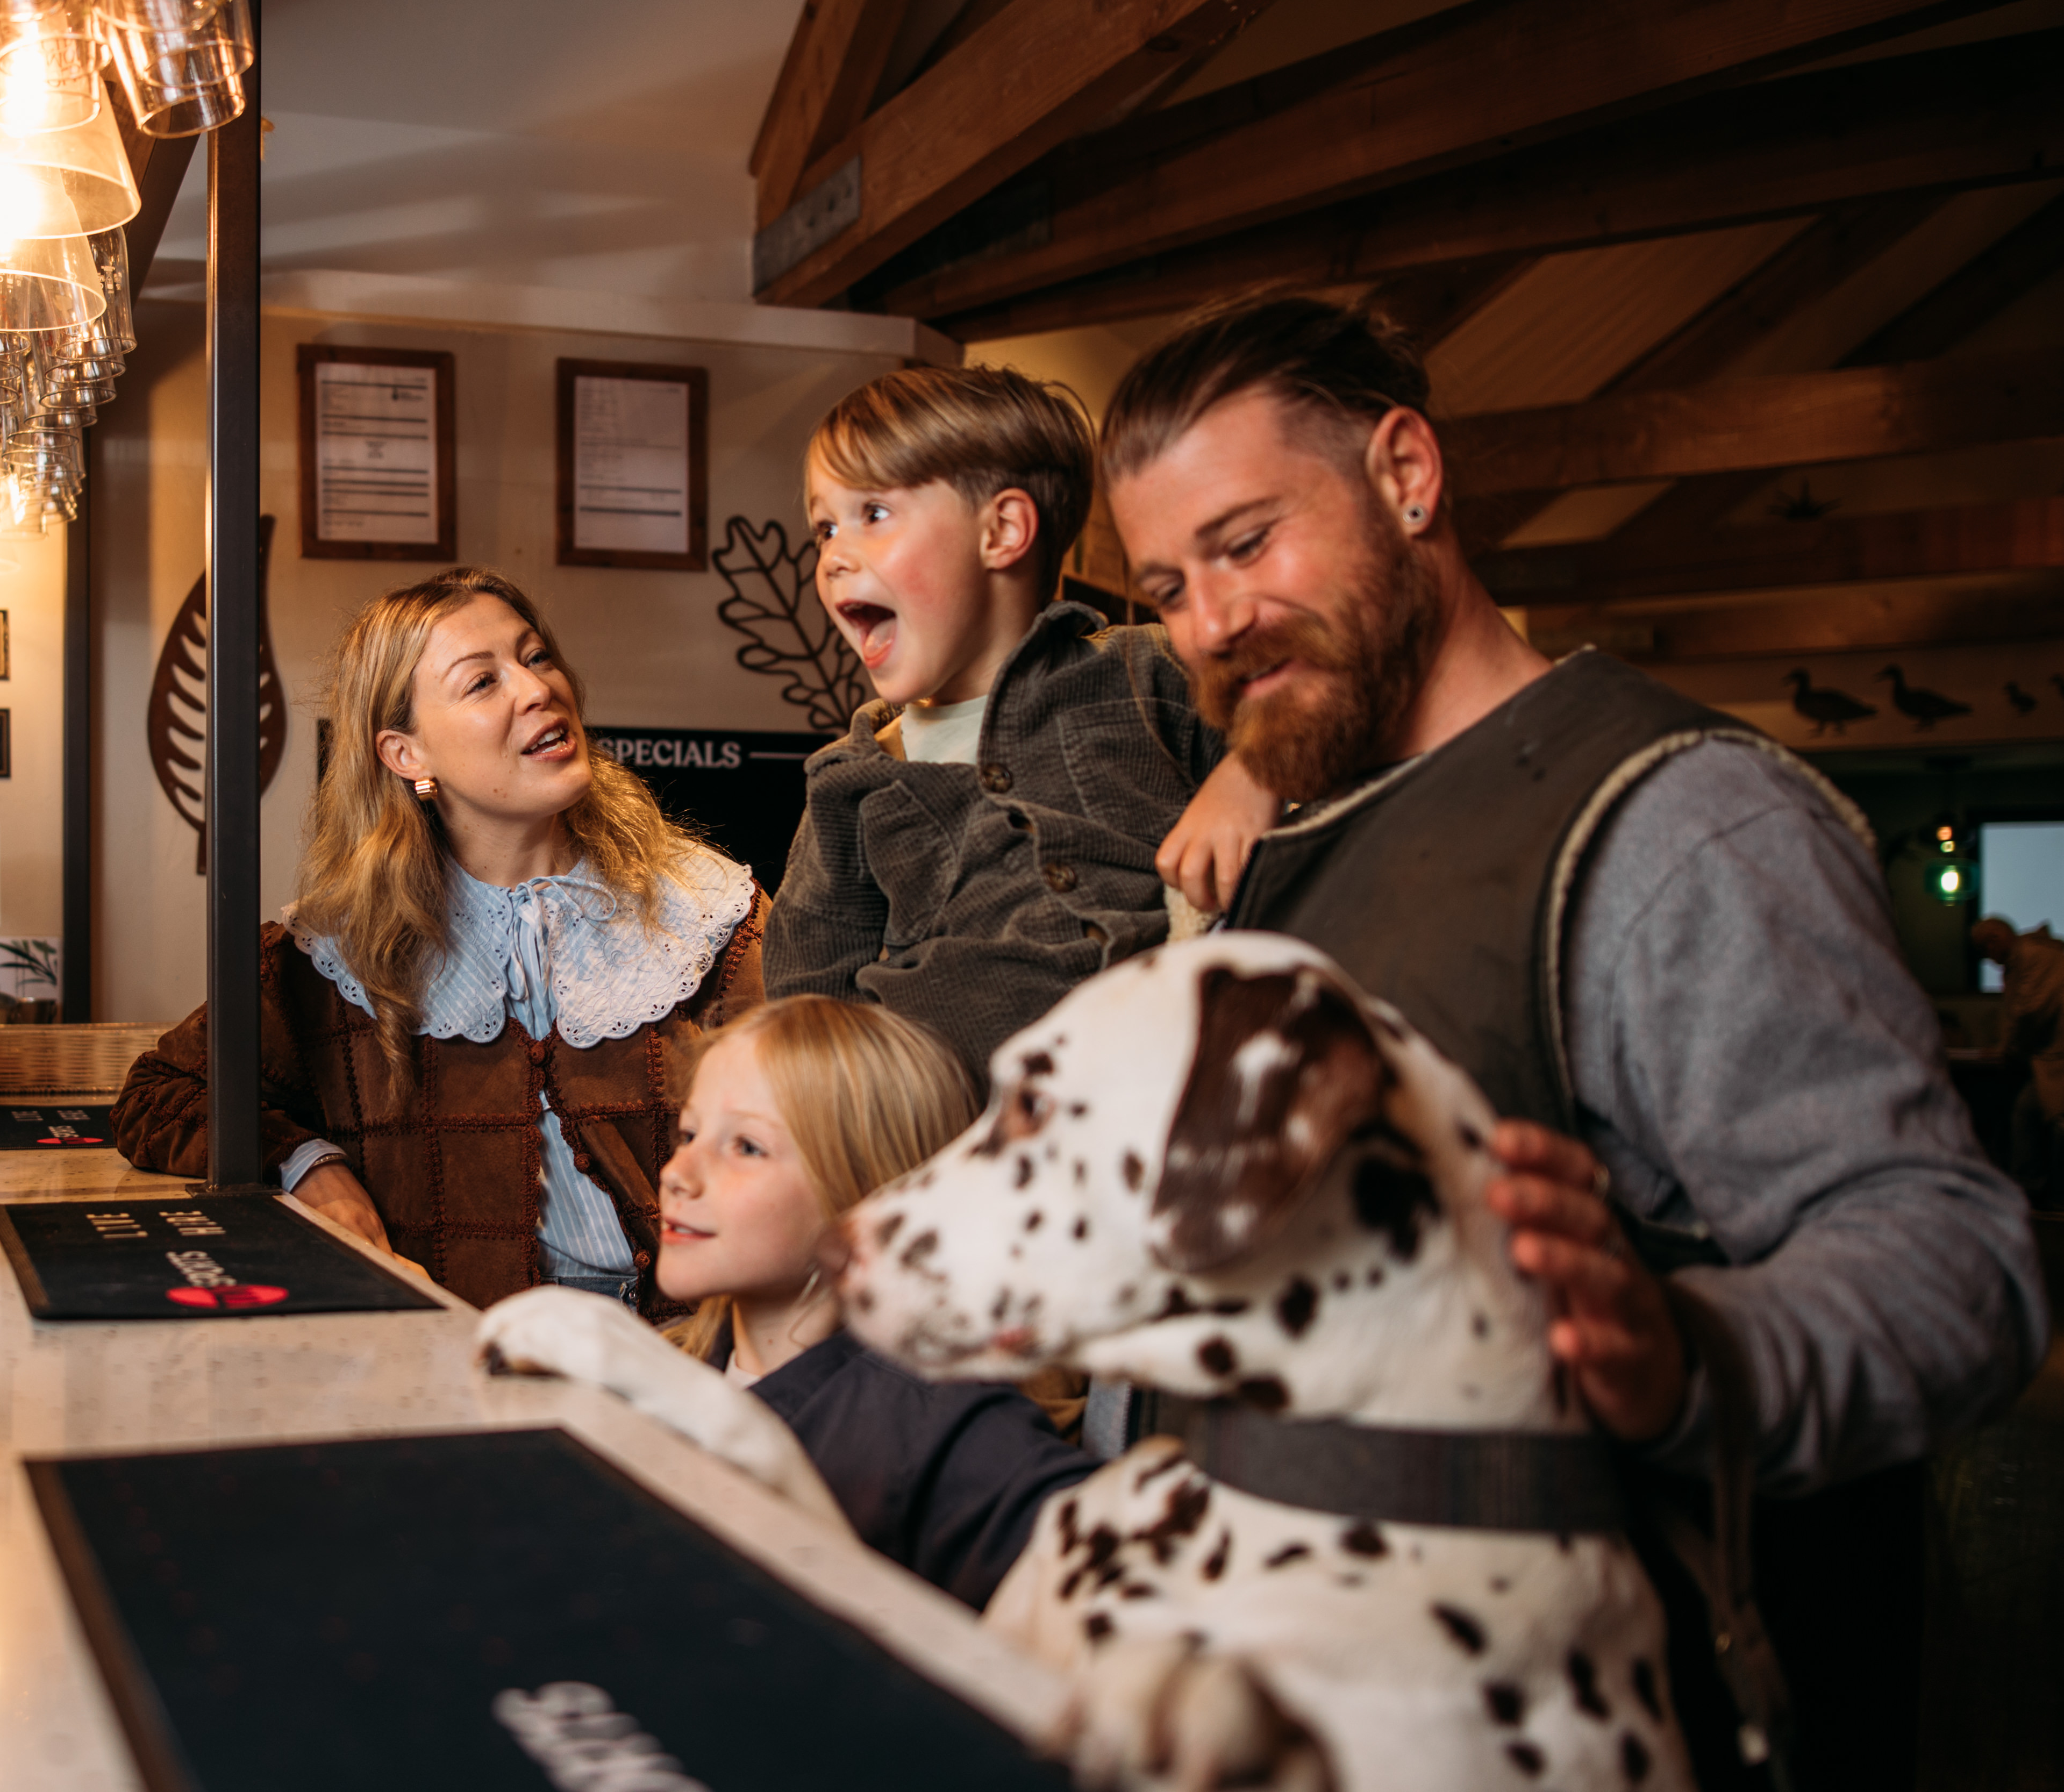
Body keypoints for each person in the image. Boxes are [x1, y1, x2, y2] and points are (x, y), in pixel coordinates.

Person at [1103, 292, 2048, 1788]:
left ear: (1409, 475)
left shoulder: (1682, 824)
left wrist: (1696, 1350)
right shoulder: (1313, 836)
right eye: (1167, 587)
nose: (1210, 624)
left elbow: (1957, 1263)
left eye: (1247, 542)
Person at [111, 567, 766, 1312]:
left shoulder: (707, 913)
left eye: (536, 656)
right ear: (405, 755)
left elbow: (826, 1119)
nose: (536, 688)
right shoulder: (333, 953)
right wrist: (304, 1161)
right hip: (455, 1360)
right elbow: (158, 1094)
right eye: (482, 682)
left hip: (692, 1355)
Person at [489, 994, 1095, 1610]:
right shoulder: (679, 1370)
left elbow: (1120, 1581)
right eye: (690, 1133)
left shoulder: (942, 1426)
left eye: (746, 1147)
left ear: (871, 1202)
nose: (678, 1172)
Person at [766, 365, 1276, 1088]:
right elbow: (809, 1012)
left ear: (1002, 530)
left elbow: (1311, 720)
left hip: (1179, 1095)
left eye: (873, 514)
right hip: (969, 1134)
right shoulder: (854, 781)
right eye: (824, 527)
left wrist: (1248, 773)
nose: (833, 557)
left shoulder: (1147, 672)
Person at [1973, 915, 2062, 1206]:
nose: (1988, 959)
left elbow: (2028, 1013)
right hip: (2052, 1061)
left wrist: (2007, 1050)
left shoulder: (2033, 959)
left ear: (1995, 940)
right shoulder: (2034, 957)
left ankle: (2037, 1194)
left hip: (2056, 1062)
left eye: (1986, 950)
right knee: (2028, 1111)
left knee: (2031, 1115)